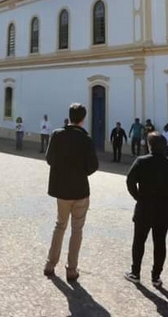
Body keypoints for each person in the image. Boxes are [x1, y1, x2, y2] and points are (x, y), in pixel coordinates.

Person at [44, 103, 98, 282]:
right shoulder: (86, 139)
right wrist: (81, 173)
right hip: (80, 190)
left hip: (61, 190)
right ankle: (71, 269)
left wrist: (62, 171)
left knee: (60, 225)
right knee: (77, 229)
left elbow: (49, 159)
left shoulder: (57, 135)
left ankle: (50, 264)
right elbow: (93, 166)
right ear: (83, 118)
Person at [124, 132, 168, 288]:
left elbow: (130, 181)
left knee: (139, 241)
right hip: (163, 208)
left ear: (149, 146)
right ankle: (156, 276)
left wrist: (137, 196)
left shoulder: (141, 161)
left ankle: (135, 272)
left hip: (145, 206)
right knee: (160, 243)